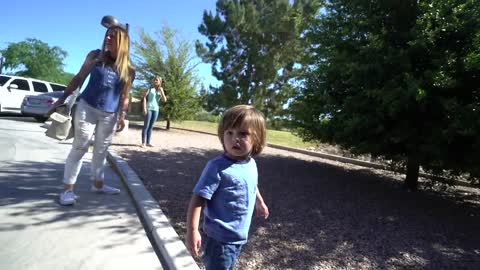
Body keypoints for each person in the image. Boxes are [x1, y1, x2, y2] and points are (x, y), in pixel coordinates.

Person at [56, 16, 135, 206]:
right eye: (107, 35)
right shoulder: (95, 56)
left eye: (112, 36)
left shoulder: (129, 69)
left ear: (122, 42)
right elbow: (79, 78)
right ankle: (67, 191)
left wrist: (122, 115)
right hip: (87, 108)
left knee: (101, 151)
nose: (107, 39)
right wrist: (62, 98)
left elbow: (125, 95)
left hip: (110, 114)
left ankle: (98, 185)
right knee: (80, 147)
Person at [185, 105, 270, 270]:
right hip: (219, 239)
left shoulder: (251, 164)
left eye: (243, 134)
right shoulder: (216, 167)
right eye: (229, 133)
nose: (234, 139)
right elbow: (198, 199)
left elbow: (252, 183)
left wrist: (259, 202)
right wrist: (192, 230)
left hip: (238, 235)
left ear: (257, 138)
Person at [141, 76, 167, 147]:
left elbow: (164, 100)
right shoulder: (149, 89)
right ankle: (143, 142)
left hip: (156, 110)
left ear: (160, 82)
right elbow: (144, 98)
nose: (155, 81)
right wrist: (144, 108)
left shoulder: (160, 90)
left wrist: (161, 91)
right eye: (155, 80)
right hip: (149, 108)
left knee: (151, 126)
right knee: (146, 126)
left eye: (157, 80)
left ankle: (148, 142)